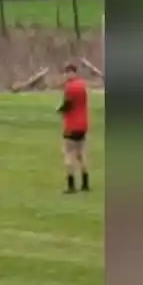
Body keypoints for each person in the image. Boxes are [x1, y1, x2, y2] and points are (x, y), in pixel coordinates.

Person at [57, 63, 91, 193]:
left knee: (68, 154)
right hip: (83, 124)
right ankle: (85, 184)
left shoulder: (70, 87)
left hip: (71, 125)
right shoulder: (83, 85)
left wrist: (59, 110)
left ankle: (71, 186)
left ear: (69, 73)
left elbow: (68, 105)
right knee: (81, 154)